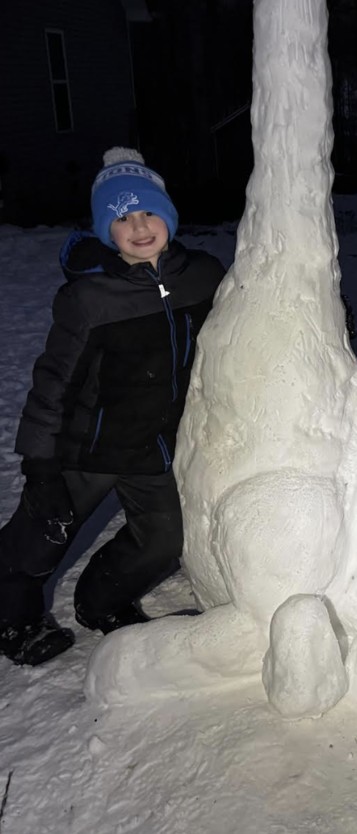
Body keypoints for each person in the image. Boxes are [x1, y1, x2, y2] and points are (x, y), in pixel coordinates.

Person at [0, 149, 225, 666]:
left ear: (167, 215)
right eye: (122, 218)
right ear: (106, 229)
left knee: (166, 539)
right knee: (41, 535)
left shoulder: (204, 276)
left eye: (148, 213)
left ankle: (102, 599)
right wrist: (40, 464)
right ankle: (13, 617)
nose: (139, 227)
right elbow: (53, 381)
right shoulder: (91, 297)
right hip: (87, 445)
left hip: (157, 443)